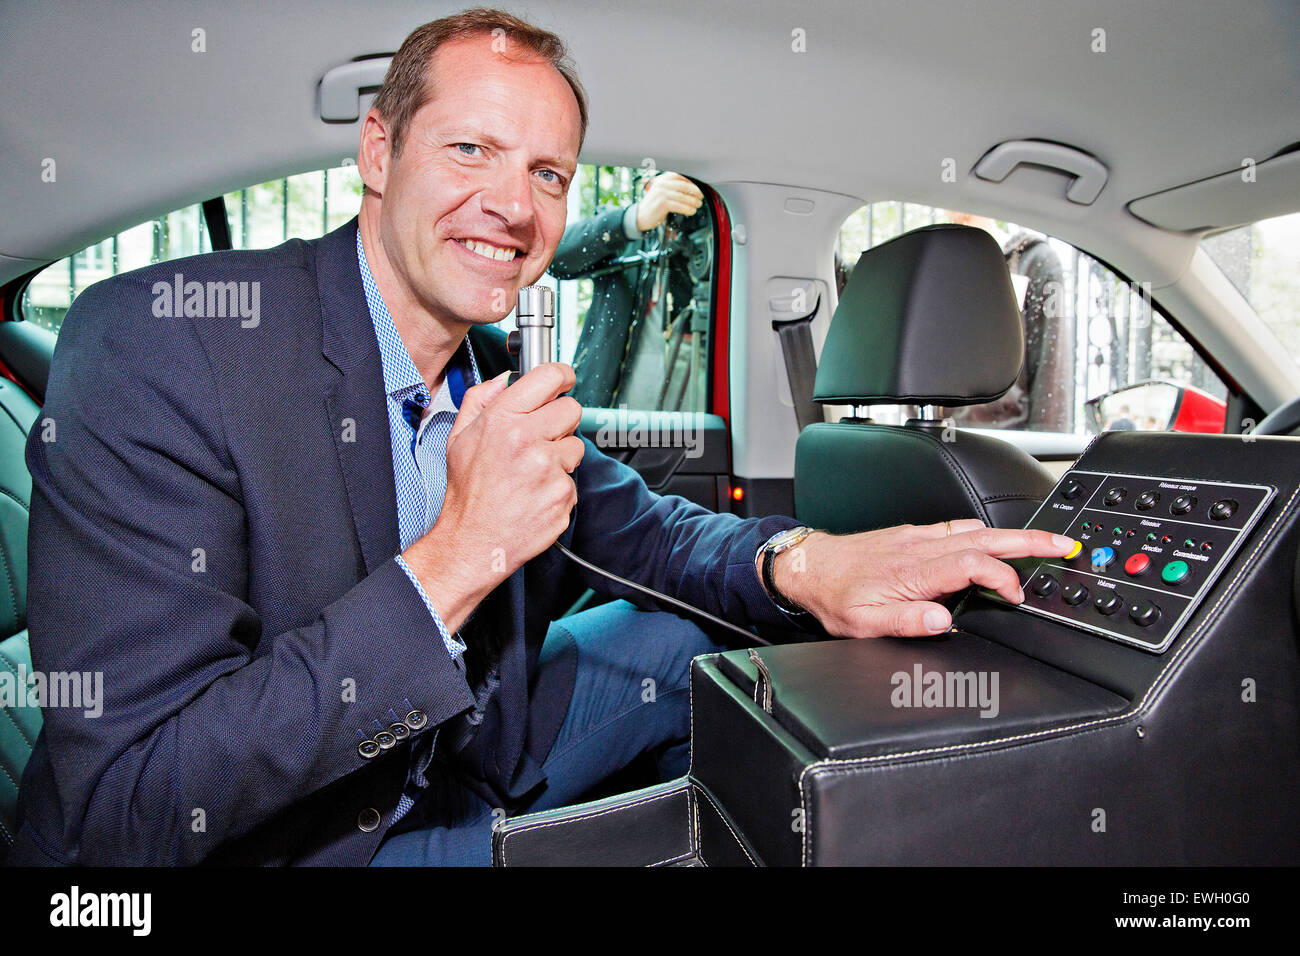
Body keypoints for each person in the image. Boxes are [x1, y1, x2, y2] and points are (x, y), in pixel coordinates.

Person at [9, 8, 1073, 867]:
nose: (513, 206)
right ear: (377, 150)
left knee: (687, 650)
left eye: (550, 174)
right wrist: (458, 556)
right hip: (315, 829)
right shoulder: (165, 343)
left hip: (482, 736)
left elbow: (645, 532)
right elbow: (128, 807)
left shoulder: (488, 368)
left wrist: (805, 560)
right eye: (471, 148)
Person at [549, 170, 705, 409]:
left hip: (684, 421)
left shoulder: (708, 243)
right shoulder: (625, 238)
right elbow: (556, 258)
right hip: (604, 417)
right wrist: (634, 220)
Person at [941, 211, 1072, 431]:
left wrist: (1046, 452)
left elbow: (1051, 368)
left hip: (1011, 445)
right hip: (944, 441)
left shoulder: (1034, 261)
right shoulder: (938, 272)